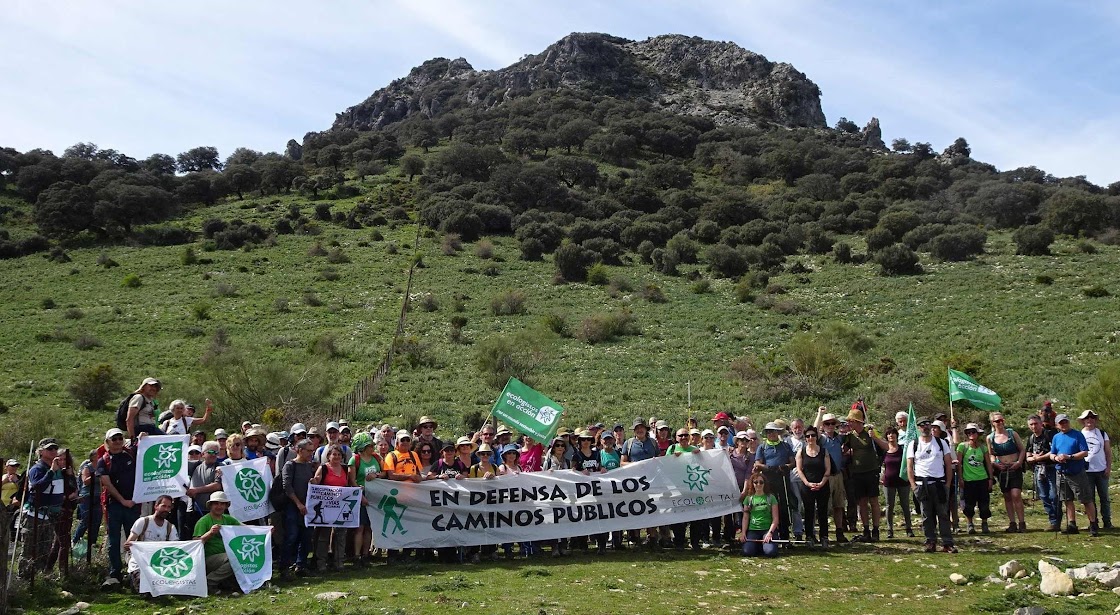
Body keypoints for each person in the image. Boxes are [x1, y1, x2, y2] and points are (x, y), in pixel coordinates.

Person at [97, 429, 142, 585]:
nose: (117, 441)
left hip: (133, 504)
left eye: (119, 438)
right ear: (108, 441)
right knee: (114, 540)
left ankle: (134, 570)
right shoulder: (104, 460)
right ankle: (115, 572)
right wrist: (123, 500)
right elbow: (107, 484)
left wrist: (143, 438)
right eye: (113, 439)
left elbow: (144, 449)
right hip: (114, 505)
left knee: (134, 538)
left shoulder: (130, 453)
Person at [907, 416, 957, 553]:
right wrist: (913, 486)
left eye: (928, 424)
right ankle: (930, 541)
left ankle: (947, 543)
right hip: (922, 484)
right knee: (926, 515)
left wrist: (947, 484)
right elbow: (909, 466)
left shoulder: (941, 443)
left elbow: (948, 464)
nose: (925, 427)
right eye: (922, 425)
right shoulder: (914, 444)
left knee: (943, 514)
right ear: (918, 428)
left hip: (939, 484)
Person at [18, 438, 66, 579]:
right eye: (49, 449)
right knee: (29, 548)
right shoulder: (37, 469)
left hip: (49, 515)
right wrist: (51, 472)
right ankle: (25, 578)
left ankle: (38, 578)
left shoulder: (58, 469)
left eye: (54, 448)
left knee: (44, 549)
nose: (53, 451)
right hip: (34, 514)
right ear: (41, 452)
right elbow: (38, 487)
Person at [841, 410, 887, 542]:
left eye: (851, 421)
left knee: (873, 501)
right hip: (857, 473)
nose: (849, 423)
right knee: (862, 502)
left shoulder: (870, 432)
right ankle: (866, 530)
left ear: (857, 421)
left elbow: (885, 447)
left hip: (871, 471)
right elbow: (844, 450)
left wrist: (875, 437)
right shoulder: (850, 436)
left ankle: (876, 529)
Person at [1050, 413, 1099, 536]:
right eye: (1061, 423)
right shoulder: (1056, 437)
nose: (1064, 424)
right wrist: (1056, 458)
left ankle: (1093, 524)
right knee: (1067, 499)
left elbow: (1084, 452)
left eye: (1065, 421)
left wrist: (1069, 457)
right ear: (1057, 425)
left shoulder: (1077, 435)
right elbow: (1052, 453)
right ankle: (1072, 524)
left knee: (1086, 499)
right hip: (1061, 472)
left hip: (1077, 472)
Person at [310, 445, 353, 571]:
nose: (337, 457)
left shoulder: (345, 469)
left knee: (340, 535)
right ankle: (321, 562)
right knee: (324, 535)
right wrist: (313, 481)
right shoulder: (323, 468)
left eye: (339, 455)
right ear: (328, 456)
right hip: (325, 507)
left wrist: (357, 490)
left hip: (340, 508)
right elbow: (317, 481)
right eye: (334, 454)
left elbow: (350, 484)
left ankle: (339, 561)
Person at [125, 494, 179, 593]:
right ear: (156, 506)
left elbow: (173, 550)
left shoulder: (170, 528)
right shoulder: (143, 522)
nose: (166, 509)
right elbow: (128, 544)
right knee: (145, 587)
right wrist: (130, 545)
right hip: (139, 565)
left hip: (159, 566)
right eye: (163, 506)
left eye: (168, 507)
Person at [281, 438, 318, 576]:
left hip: (308, 507)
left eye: (312, 451)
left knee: (306, 537)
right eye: (308, 451)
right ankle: (285, 566)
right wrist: (298, 504)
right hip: (292, 506)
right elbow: (287, 487)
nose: (310, 454)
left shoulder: (310, 466)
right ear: (300, 450)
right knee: (291, 536)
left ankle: (301, 565)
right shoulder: (290, 465)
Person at [754, 422, 794, 542]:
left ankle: (785, 536)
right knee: (769, 506)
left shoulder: (786, 446)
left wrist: (786, 467)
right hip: (768, 479)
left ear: (778, 433)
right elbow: (757, 463)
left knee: (784, 506)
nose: (771, 433)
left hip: (782, 478)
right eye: (769, 431)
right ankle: (771, 534)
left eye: (773, 431)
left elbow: (793, 462)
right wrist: (768, 468)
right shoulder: (762, 447)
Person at [194, 491, 243, 590]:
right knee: (234, 558)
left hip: (225, 557)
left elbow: (245, 529)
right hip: (208, 559)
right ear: (211, 506)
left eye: (222, 504)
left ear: (226, 506)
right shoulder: (203, 521)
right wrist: (210, 533)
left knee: (241, 556)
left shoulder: (229, 519)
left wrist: (265, 530)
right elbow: (195, 543)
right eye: (216, 503)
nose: (219, 506)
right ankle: (209, 582)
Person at [813, 409, 848, 543]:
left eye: (833, 423)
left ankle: (839, 531)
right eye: (827, 423)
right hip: (826, 476)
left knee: (838, 504)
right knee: (824, 506)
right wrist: (819, 415)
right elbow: (814, 430)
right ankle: (824, 532)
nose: (830, 426)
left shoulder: (839, 438)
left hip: (838, 474)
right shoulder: (821, 439)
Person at [987, 412, 1026, 532]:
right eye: (997, 421)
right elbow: (991, 454)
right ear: (993, 423)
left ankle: (1022, 522)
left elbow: (1022, 449)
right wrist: (995, 463)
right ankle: (1012, 522)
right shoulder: (990, 438)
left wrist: (1019, 462)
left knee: (1016, 494)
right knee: (1007, 496)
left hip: (1014, 466)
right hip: (1002, 469)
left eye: (1001, 420)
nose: (1000, 423)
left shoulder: (1012, 433)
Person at [43, 448, 77, 576]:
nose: (62, 462)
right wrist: (68, 497)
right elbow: (58, 493)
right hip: (59, 510)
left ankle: (49, 569)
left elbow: (75, 489)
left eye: (65, 459)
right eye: (60, 459)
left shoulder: (69, 473)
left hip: (69, 510)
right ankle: (63, 572)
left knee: (58, 542)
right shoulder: (56, 473)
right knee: (64, 542)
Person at [795, 426, 831, 547]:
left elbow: (828, 469)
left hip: (823, 484)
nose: (811, 438)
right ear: (805, 438)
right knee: (809, 511)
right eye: (808, 436)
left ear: (816, 437)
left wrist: (822, 483)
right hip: (807, 486)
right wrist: (807, 483)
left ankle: (824, 536)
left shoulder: (824, 451)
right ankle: (809, 536)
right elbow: (799, 470)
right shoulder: (801, 452)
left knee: (822, 511)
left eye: (813, 435)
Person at [956, 423, 993, 534]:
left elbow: (988, 463)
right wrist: (960, 478)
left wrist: (990, 479)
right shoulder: (962, 447)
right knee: (968, 504)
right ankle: (970, 523)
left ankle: (984, 523)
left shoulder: (983, 448)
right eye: (969, 432)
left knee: (984, 503)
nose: (971, 434)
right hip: (968, 480)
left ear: (978, 434)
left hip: (982, 479)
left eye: (973, 432)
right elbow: (959, 464)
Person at [1026, 414, 1061, 531]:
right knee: (1043, 495)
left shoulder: (1049, 434)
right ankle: (1053, 521)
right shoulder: (1031, 438)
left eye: (1036, 423)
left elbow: (1053, 451)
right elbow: (1028, 455)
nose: (1034, 426)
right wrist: (1033, 459)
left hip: (1051, 467)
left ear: (1041, 423)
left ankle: (1056, 521)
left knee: (1054, 495)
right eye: (1031, 424)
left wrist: (1037, 458)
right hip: (1038, 469)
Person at [1079, 410, 1112, 530]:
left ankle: (1107, 521)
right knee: (1089, 499)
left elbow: (1108, 452)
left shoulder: (1102, 434)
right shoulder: (1080, 434)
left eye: (1092, 417)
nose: (1090, 420)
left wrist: (1108, 467)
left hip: (1101, 470)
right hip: (1086, 472)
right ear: (1083, 421)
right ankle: (1093, 522)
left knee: (1105, 497)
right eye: (1087, 418)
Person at [879, 427, 913, 539]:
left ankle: (909, 528)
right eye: (888, 434)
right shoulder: (884, 451)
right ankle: (890, 530)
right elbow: (881, 466)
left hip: (903, 481)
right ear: (886, 437)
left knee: (905, 505)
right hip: (888, 482)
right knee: (889, 505)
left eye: (893, 433)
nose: (891, 436)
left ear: (896, 435)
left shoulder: (903, 450)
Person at [185, 441, 224, 537]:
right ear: (203, 454)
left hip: (212, 512)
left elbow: (217, 485)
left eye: (216, 453)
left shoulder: (220, 467)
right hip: (194, 510)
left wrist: (196, 490)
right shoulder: (194, 466)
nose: (214, 455)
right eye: (211, 452)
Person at [739, 472, 779, 558]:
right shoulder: (748, 498)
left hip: (767, 529)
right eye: (756, 482)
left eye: (761, 482)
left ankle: (765, 545)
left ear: (765, 484)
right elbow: (745, 517)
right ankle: (758, 545)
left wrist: (770, 533)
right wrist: (743, 532)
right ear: (752, 484)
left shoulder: (771, 498)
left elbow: (775, 519)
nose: (758, 484)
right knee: (747, 552)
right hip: (753, 530)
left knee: (770, 553)